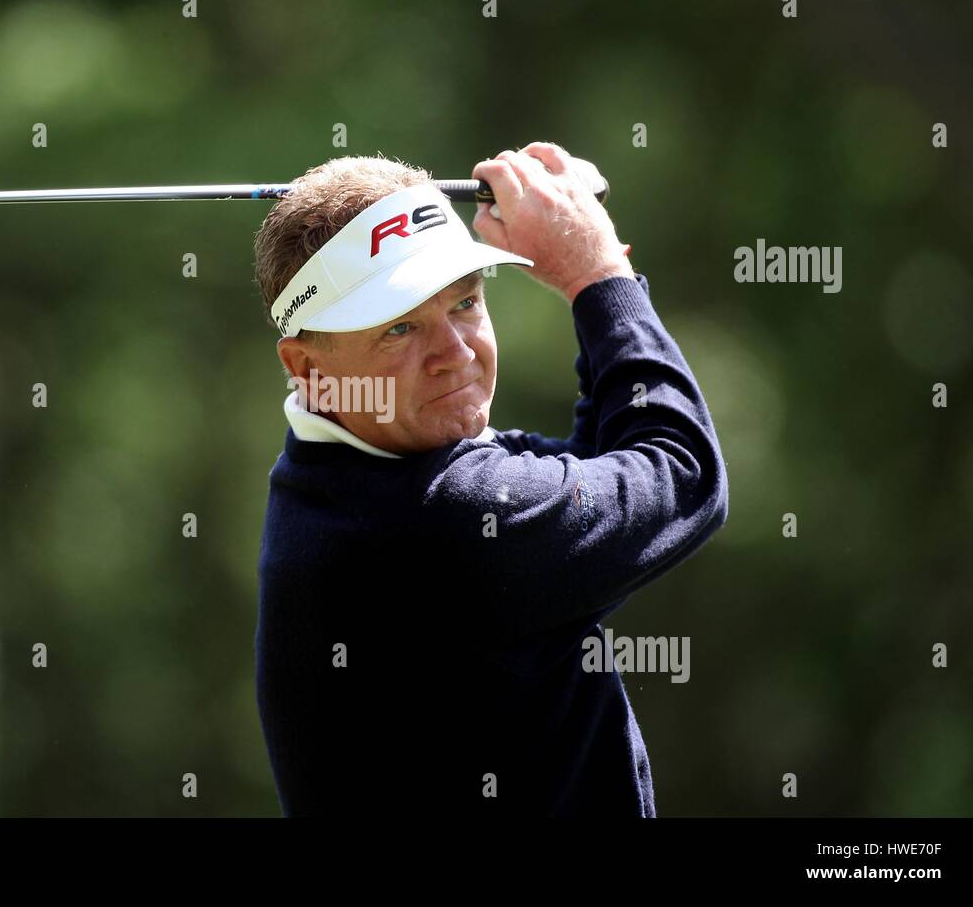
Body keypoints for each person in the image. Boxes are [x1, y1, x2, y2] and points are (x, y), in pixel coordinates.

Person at [252, 143, 728, 815]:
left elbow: (595, 471)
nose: (455, 352)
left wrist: (598, 280)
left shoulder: (337, 475)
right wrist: (596, 273)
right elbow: (682, 472)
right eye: (401, 327)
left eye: (467, 303)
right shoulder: (445, 517)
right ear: (308, 367)